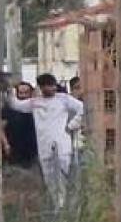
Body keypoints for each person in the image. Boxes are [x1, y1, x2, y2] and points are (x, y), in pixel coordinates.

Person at [5, 73, 86, 211]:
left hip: (62, 141)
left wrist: (72, 125)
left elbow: (83, 109)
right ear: (41, 87)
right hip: (44, 143)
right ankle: (56, 205)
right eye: (47, 86)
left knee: (63, 171)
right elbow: (15, 105)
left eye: (52, 85)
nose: (51, 88)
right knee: (49, 175)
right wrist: (9, 89)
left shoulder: (64, 99)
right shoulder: (36, 102)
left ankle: (64, 204)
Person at [1, 81, 40, 169]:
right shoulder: (9, 108)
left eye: (26, 93)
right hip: (14, 149)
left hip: (33, 150)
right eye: (21, 93)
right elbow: (1, 128)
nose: (23, 96)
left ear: (31, 93)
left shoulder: (36, 107)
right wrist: (6, 144)